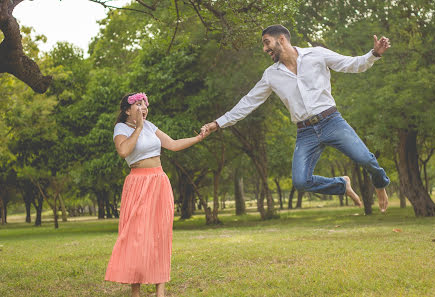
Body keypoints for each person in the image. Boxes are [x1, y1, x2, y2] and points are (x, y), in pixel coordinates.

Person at [204, 24, 391, 212]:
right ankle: (342, 185)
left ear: (282, 40)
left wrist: (374, 54)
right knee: (301, 181)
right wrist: (217, 123)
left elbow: (352, 64)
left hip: (331, 121)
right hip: (305, 132)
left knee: (365, 159)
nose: (264, 49)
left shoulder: (317, 54)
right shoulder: (271, 75)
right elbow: (248, 102)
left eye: (266, 43)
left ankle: (380, 183)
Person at [105, 92, 209, 297]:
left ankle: (160, 291)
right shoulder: (121, 128)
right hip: (137, 183)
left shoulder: (151, 126)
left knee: (159, 236)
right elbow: (124, 151)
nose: (143, 108)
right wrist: (139, 128)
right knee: (136, 237)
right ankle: (135, 290)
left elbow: (172, 144)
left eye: (145, 104)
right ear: (127, 110)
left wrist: (198, 137)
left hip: (159, 181)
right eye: (138, 104)